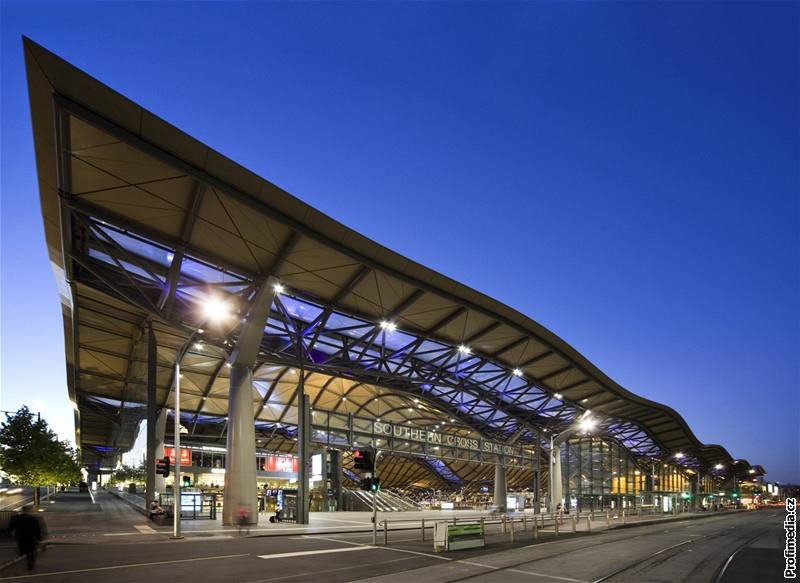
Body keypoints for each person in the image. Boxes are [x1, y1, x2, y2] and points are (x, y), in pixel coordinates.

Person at [8, 506, 43, 570]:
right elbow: (37, 529)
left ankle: (23, 554)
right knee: (32, 550)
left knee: (23, 548)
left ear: (22, 510)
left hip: (20, 536)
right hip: (31, 537)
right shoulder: (33, 519)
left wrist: (10, 535)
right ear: (29, 510)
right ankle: (31, 562)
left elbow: (10, 528)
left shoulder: (15, 518)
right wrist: (39, 538)